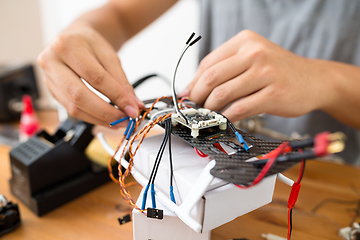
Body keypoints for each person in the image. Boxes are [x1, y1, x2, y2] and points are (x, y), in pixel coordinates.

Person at [37, 0, 360, 163]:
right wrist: (80, 34)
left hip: (329, 176)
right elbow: (120, 15)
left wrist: (326, 81)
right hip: (212, 163)